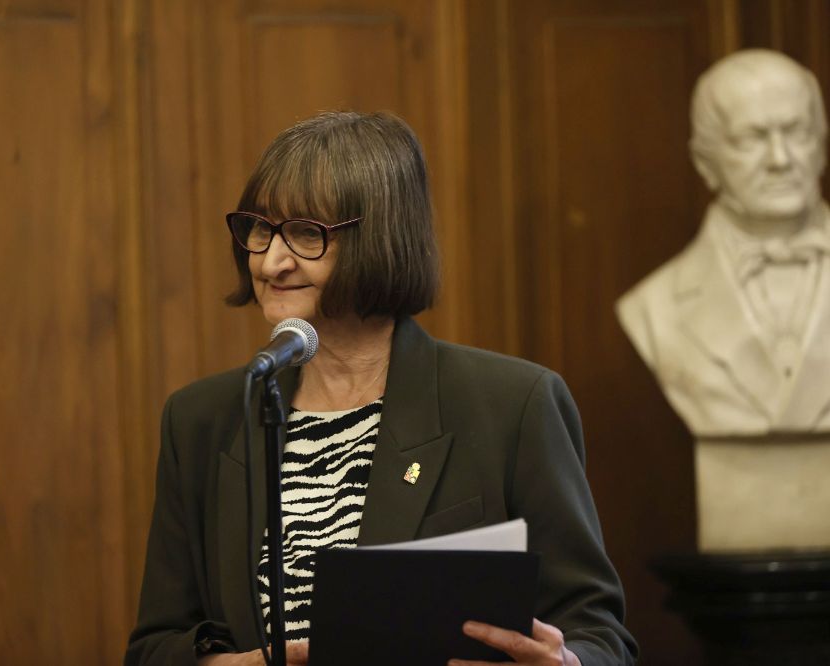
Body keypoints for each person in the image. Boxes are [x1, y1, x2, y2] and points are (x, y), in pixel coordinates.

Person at [127, 111, 637, 665]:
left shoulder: (513, 405)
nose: (271, 260)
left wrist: (567, 663)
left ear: (381, 239)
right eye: (260, 229)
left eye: (304, 233)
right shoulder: (203, 419)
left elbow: (599, 634)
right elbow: (155, 648)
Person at [616, 49, 830, 437]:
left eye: (796, 132)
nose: (780, 159)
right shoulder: (655, 308)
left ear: (820, 144)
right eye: (752, 139)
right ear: (705, 163)